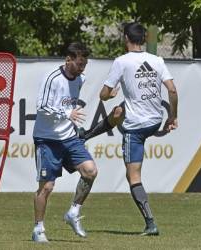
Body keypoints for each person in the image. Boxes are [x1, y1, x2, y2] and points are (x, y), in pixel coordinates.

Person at [84, 22, 178, 236]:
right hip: (155, 120)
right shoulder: (157, 60)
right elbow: (172, 90)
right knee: (118, 112)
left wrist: (110, 94)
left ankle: (150, 223)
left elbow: (103, 94)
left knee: (133, 177)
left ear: (126, 38)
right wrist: (172, 116)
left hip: (135, 127)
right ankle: (87, 135)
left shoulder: (121, 62)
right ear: (143, 40)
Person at [32, 42, 98, 242]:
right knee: (47, 187)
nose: (82, 68)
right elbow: (41, 106)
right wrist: (67, 113)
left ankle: (74, 212)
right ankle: (38, 229)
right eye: (79, 64)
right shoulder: (53, 78)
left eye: (84, 64)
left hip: (69, 137)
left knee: (90, 171)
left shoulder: (81, 78)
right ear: (68, 60)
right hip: (47, 139)